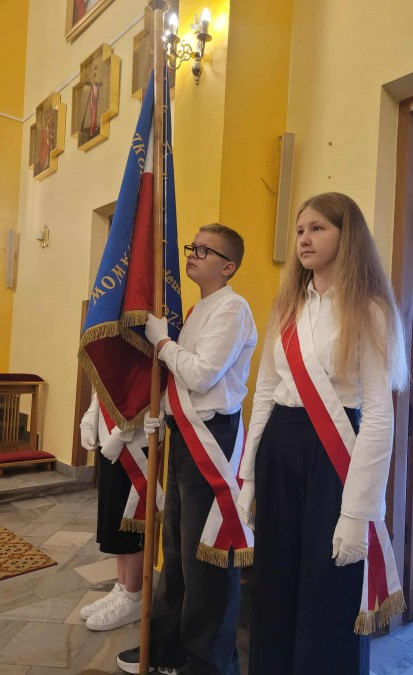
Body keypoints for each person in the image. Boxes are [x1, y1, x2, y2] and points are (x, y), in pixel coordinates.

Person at [237, 192, 408, 675]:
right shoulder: (287, 307)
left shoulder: (369, 310)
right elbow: (264, 393)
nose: (304, 239)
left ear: (346, 236)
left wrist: (358, 511)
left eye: (317, 228)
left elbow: (379, 415)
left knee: (326, 587)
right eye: (300, 230)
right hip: (280, 447)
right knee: (274, 580)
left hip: (334, 454)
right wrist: (248, 476)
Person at [117, 223, 257, 675]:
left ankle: (208, 662)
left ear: (228, 266)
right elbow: (182, 380)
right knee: (176, 548)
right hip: (185, 435)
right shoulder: (198, 310)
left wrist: (161, 341)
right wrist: (161, 412)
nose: (192, 254)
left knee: (206, 556)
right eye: (192, 247)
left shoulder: (233, 308)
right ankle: (166, 649)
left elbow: (201, 374)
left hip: (212, 438)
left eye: (203, 250)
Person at [79, 394, 164, 631]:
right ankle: (123, 586)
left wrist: (121, 433)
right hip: (109, 437)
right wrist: (89, 420)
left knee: (131, 520)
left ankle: (134, 596)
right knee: (115, 517)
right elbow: (103, 389)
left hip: (136, 440)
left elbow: (149, 392)